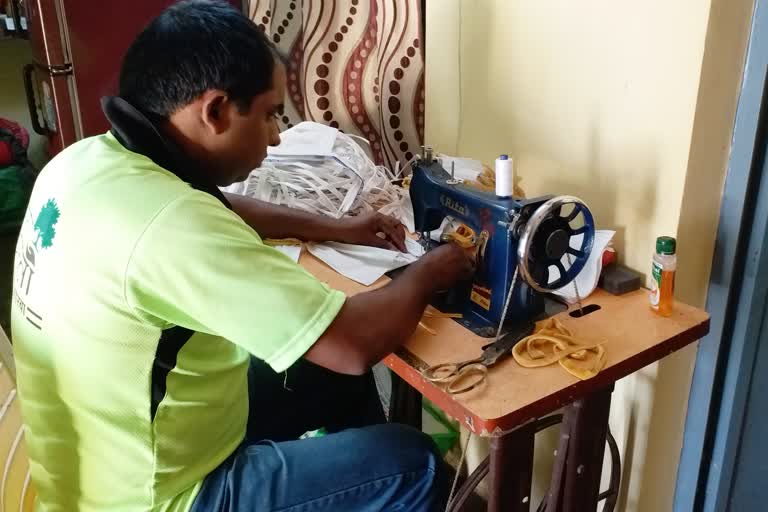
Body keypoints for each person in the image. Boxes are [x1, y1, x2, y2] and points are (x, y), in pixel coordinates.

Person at [10, 1, 474, 511]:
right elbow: (355, 342)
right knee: (414, 462)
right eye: (271, 114)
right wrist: (431, 270)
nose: (277, 136)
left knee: (330, 377)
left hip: (101, 465)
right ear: (214, 111)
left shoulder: (84, 162)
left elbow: (220, 206)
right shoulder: (173, 227)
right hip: (161, 497)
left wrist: (341, 227)